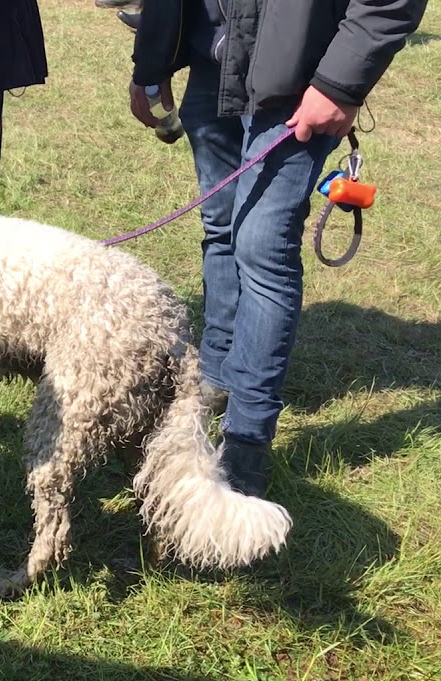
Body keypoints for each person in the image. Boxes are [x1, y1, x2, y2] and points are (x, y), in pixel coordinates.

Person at [128, 0, 427, 497]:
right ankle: (214, 380)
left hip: (299, 81)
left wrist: (339, 82)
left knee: (262, 245)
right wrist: (152, 62)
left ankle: (245, 442)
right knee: (221, 227)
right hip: (214, 61)